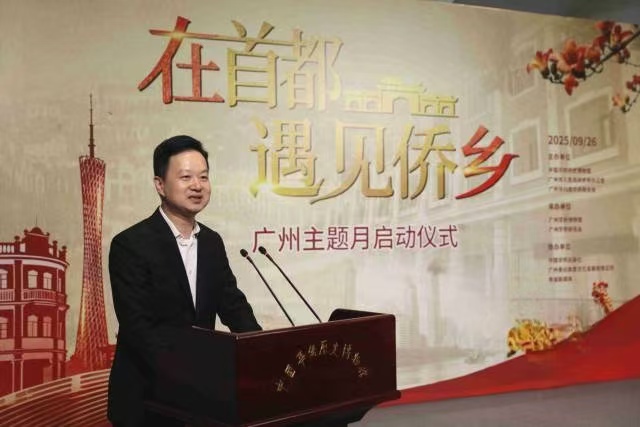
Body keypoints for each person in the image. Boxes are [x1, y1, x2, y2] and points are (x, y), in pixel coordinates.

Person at [107, 135, 262, 427]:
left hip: (200, 402)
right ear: (160, 185)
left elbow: (234, 306)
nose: (197, 186)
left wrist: (263, 352)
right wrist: (195, 377)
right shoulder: (131, 244)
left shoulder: (212, 242)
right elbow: (138, 327)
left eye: (203, 177)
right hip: (147, 401)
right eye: (186, 177)